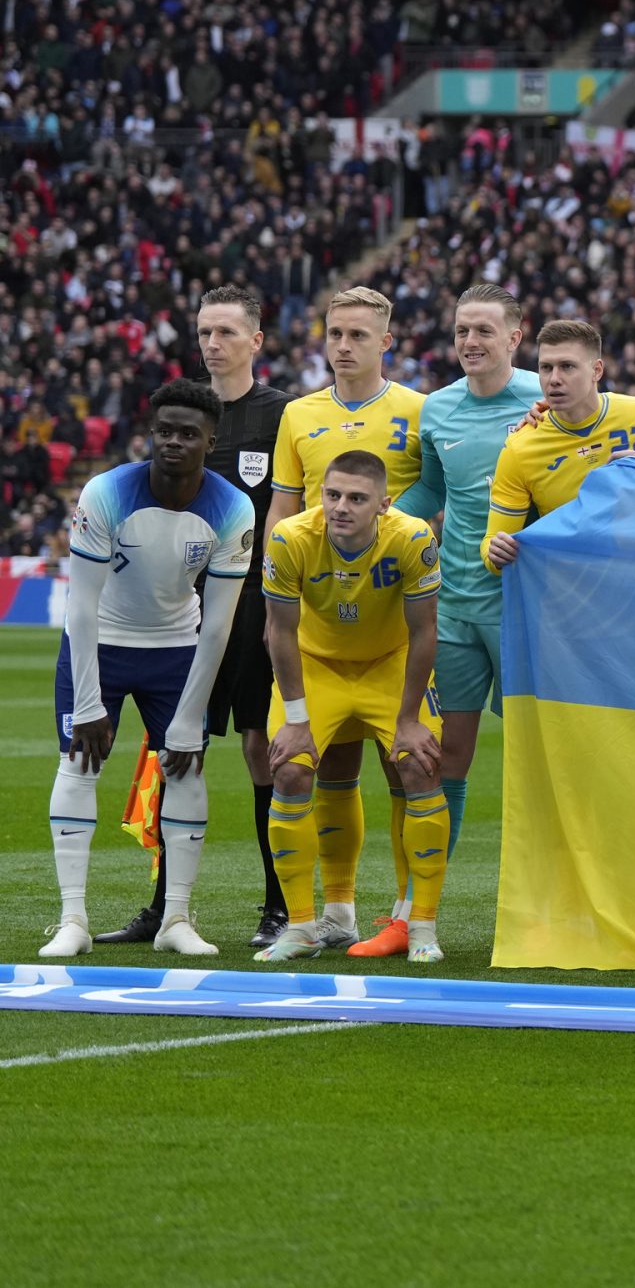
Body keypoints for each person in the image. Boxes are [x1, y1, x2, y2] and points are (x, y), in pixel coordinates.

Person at [93, 286, 290, 949]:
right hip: (180, 610)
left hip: (256, 610)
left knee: (263, 747)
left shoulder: (281, 416)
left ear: (256, 339)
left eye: (227, 331)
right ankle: (164, 907)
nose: (213, 342)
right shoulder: (180, 410)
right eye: (205, 331)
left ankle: (279, 905)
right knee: (175, 749)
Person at [41, 382, 257, 959]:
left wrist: (190, 720)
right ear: (150, 433)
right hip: (100, 644)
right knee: (79, 763)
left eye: (189, 434)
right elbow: (79, 608)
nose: (174, 442)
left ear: (211, 441)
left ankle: (176, 921)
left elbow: (218, 626)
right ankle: (72, 921)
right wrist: (87, 704)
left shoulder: (234, 508)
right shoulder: (106, 492)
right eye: (165, 431)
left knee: (185, 769)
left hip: (176, 648)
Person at [268, 285, 430, 958]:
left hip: (395, 612)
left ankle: (403, 915)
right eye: (335, 332)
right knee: (320, 765)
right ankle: (334, 912)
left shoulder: (422, 411)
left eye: (359, 334)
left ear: (386, 340)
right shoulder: (297, 414)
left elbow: (440, 494)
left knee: (404, 764)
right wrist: (272, 582)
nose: (344, 345)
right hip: (316, 618)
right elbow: (282, 506)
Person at [258, 452, 446, 963]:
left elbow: (425, 630)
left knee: (419, 766)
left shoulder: (413, 538)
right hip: (317, 666)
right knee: (291, 773)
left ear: (383, 504)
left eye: (357, 498)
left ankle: (422, 926)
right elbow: (278, 632)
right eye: (333, 494)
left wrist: (408, 720)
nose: (341, 507)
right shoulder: (291, 537)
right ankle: (301, 928)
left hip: (390, 663)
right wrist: (297, 722)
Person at [394, 284, 539, 939]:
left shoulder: (546, 397)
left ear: (516, 334)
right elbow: (431, 487)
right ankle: (417, 908)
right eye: (460, 331)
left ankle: (549, 901)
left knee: (542, 755)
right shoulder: (438, 409)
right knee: (443, 754)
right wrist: (384, 519)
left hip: (529, 611)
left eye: (483, 330)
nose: (470, 343)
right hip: (453, 607)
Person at [484, 322, 635, 570]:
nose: (554, 379)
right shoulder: (520, 448)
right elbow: (492, 544)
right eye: (546, 368)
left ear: (597, 370)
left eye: (567, 367)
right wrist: (496, 553)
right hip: (574, 593)